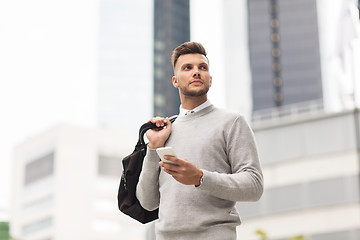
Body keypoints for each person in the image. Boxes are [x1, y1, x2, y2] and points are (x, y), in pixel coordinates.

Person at [136, 42, 263, 240]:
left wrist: (199, 178)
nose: (196, 72)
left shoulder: (231, 122)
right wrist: (153, 148)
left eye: (202, 67)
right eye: (188, 68)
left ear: (210, 79)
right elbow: (147, 202)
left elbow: (254, 186)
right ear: (175, 81)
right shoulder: (164, 130)